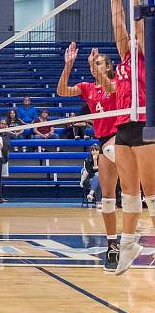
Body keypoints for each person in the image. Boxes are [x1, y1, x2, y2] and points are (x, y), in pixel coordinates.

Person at [103, 0, 155, 275]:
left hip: (145, 124)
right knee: (130, 194)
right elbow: (119, 25)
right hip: (123, 128)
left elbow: (137, 25)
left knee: (152, 192)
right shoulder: (124, 60)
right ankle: (128, 245)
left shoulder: (147, 56)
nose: (129, 40)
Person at [57, 41, 119, 271]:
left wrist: (95, 65)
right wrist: (69, 64)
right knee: (108, 199)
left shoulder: (117, 82)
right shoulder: (88, 88)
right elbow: (62, 91)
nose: (94, 66)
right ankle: (113, 245)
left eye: (100, 63)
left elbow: (110, 88)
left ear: (109, 67)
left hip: (122, 136)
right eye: (93, 64)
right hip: (104, 142)